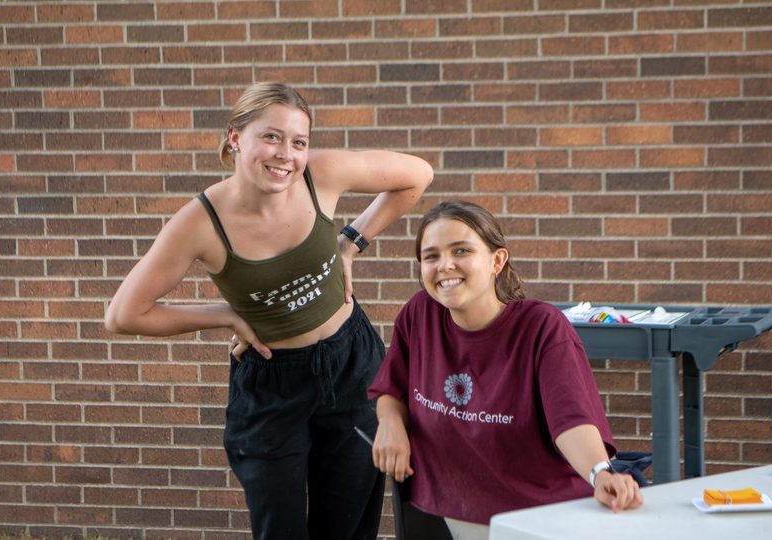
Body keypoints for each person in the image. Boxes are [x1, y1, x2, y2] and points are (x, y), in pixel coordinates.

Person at [104, 81, 433, 540]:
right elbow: (124, 314)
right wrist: (226, 314)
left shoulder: (321, 175)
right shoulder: (200, 223)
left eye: (298, 142)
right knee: (280, 528)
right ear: (236, 137)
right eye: (271, 136)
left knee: (347, 525)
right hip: (272, 383)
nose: (285, 154)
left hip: (352, 365)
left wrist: (351, 242)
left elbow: (417, 174)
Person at [367, 200, 643, 540]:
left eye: (462, 250)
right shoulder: (419, 313)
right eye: (431, 256)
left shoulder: (542, 327)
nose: (445, 265)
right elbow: (391, 387)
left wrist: (601, 473)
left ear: (497, 260)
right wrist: (390, 422)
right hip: (446, 512)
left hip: (535, 519)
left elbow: (571, 419)